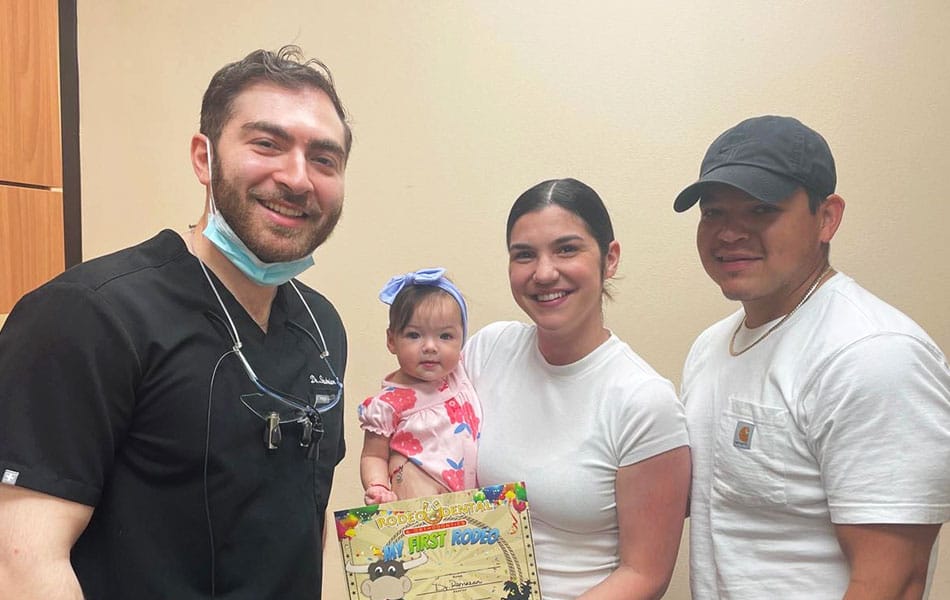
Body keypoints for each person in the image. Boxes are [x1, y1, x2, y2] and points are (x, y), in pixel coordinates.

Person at [0, 46, 352, 599]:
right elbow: (22, 565)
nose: (298, 178)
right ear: (203, 158)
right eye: (267, 144)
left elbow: (296, 531)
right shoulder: (88, 316)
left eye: (325, 159)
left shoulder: (321, 328)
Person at [673, 115, 950, 599]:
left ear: (827, 217)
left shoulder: (873, 354)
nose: (729, 233)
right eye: (714, 213)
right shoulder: (711, 347)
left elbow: (893, 581)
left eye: (761, 210)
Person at [464, 178, 691, 599]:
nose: (544, 272)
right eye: (524, 255)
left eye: (567, 249)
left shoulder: (644, 402)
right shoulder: (486, 351)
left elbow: (645, 575)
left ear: (611, 258)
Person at [358, 268, 480, 504]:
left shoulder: (459, 375)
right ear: (392, 340)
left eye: (445, 336)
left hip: (469, 509)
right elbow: (373, 455)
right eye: (414, 335)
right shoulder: (386, 405)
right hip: (418, 512)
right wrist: (379, 487)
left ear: (461, 339)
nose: (431, 347)